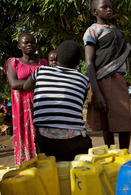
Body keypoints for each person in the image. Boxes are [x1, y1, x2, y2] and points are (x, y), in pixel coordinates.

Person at [83, 0, 131, 149]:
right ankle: (111, 154)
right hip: (100, 81)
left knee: (124, 121)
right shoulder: (92, 31)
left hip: (118, 80)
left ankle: (124, 155)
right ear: (95, 11)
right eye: (104, 7)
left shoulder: (118, 32)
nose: (109, 10)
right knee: (106, 123)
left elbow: (129, 52)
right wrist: (96, 91)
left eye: (110, 7)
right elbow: (89, 62)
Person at [23, 40, 92, 161]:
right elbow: (79, 101)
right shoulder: (83, 79)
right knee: (87, 144)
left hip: (45, 141)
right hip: (74, 141)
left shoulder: (41, 71)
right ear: (77, 62)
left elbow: (26, 86)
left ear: (57, 58)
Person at [3, 33, 48, 165]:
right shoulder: (13, 62)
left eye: (32, 42)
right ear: (19, 46)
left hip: (42, 106)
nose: (29, 45)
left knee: (43, 135)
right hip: (22, 109)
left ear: (36, 46)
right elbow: (14, 84)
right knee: (26, 135)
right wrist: (38, 82)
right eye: (26, 42)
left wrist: (26, 84)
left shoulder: (44, 63)